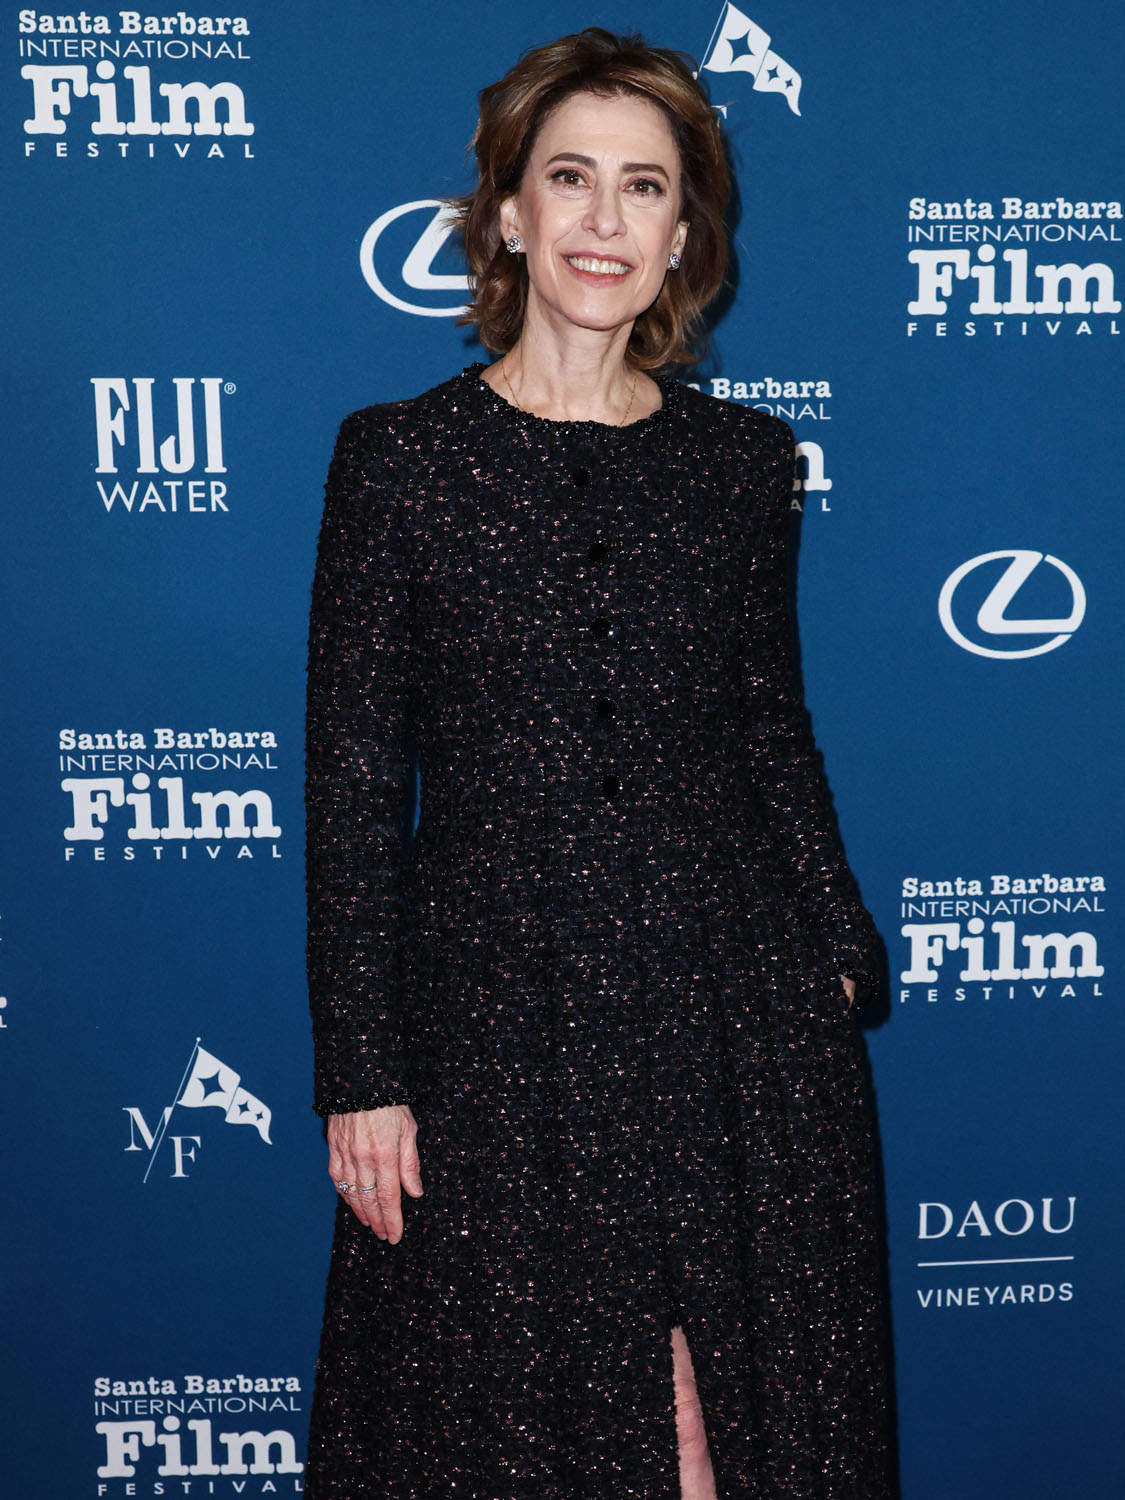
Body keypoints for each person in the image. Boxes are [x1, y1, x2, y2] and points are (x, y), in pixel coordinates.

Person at [303, 26, 893, 1500]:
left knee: (729, 1428)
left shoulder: (745, 465)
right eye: (570, 178)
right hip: (499, 1022)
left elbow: (770, 730)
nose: (604, 220)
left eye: (644, 187)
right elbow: (353, 786)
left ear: (683, 234)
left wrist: (836, 952)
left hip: (734, 1011)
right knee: (517, 1429)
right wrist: (362, 1072)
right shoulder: (398, 462)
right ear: (509, 211)